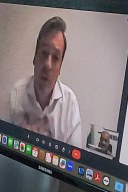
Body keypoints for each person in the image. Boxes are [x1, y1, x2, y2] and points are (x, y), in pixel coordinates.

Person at [9, 16, 83, 146]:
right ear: (34, 57)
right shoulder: (16, 93)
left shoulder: (70, 103)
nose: (48, 64)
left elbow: (74, 160)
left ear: (60, 67)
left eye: (55, 57)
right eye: (43, 53)